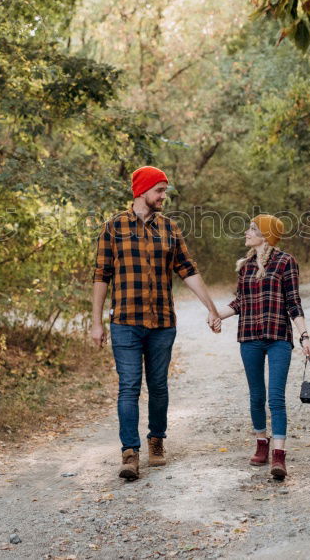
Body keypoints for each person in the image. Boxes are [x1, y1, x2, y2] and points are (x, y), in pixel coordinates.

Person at [91, 166, 222, 480]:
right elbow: (100, 277)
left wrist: (212, 309)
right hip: (124, 322)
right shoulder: (113, 227)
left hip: (162, 322)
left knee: (159, 387)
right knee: (129, 387)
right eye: (160, 190)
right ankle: (129, 452)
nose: (165, 196)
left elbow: (188, 271)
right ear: (142, 191)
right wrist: (96, 322)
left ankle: (156, 440)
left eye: (165, 190)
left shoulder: (170, 229)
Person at [214, 214, 310, 479]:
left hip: (278, 337)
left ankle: (279, 455)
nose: (247, 232)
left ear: (266, 235)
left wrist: (304, 336)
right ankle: (261, 444)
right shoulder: (245, 266)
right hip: (249, 338)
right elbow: (239, 302)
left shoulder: (286, 262)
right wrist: (215, 314)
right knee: (256, 396)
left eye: (253, 228)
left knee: (275, 397)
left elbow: (294, 301)